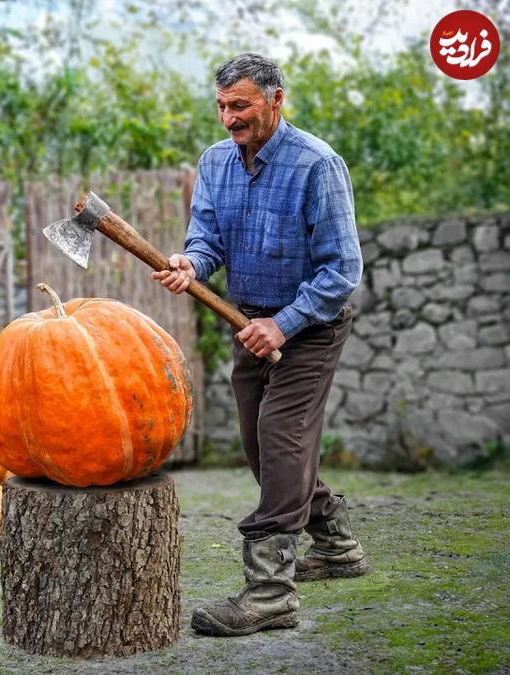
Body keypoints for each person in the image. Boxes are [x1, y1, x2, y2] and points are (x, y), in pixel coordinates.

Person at [152, 54, 367, 637]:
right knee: (261, 445)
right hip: (246, 321)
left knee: (280, 435)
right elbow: (207, 238)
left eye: (240, 105)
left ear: (276, 100)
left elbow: (342, 269)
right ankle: (337, 541)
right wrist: (189, 262)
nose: (228, 119)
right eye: (222, 106)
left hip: (312, 324)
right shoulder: (216, 162)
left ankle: (271, 591)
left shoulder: (317, 165)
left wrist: (285, 323)